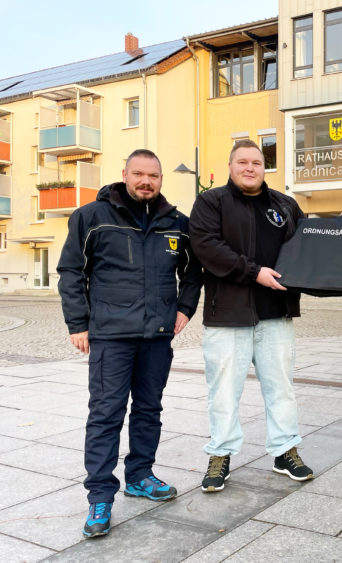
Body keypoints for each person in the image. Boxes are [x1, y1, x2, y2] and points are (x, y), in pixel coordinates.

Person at [57, 149, 202, 538]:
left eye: (153, 176)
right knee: (106, 415)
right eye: (139, 174)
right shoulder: (91, 217)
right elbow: (71, 270)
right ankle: (100, 496)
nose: (146, 181)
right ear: (124, 174)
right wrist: (78, 323)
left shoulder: (178, 223)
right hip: (110, 336)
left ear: (160, 179)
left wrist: (185, 308)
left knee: (149, 409)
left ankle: (140, 475)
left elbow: (194, 271)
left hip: (157, 337)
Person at [189, 139, 313, 493]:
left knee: (281, 388)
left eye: (256, 162)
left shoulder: (285, 205)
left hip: (276, 314)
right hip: (227, 315)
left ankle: (284, 450)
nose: (249, 168)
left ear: (264, 167)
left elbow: (305, 253)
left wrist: (339, 278)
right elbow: (207, 247)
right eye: (242, 162)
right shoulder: (211, 202)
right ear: (230, 166)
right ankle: (221, 454)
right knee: (224, 390)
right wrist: (254, 271)